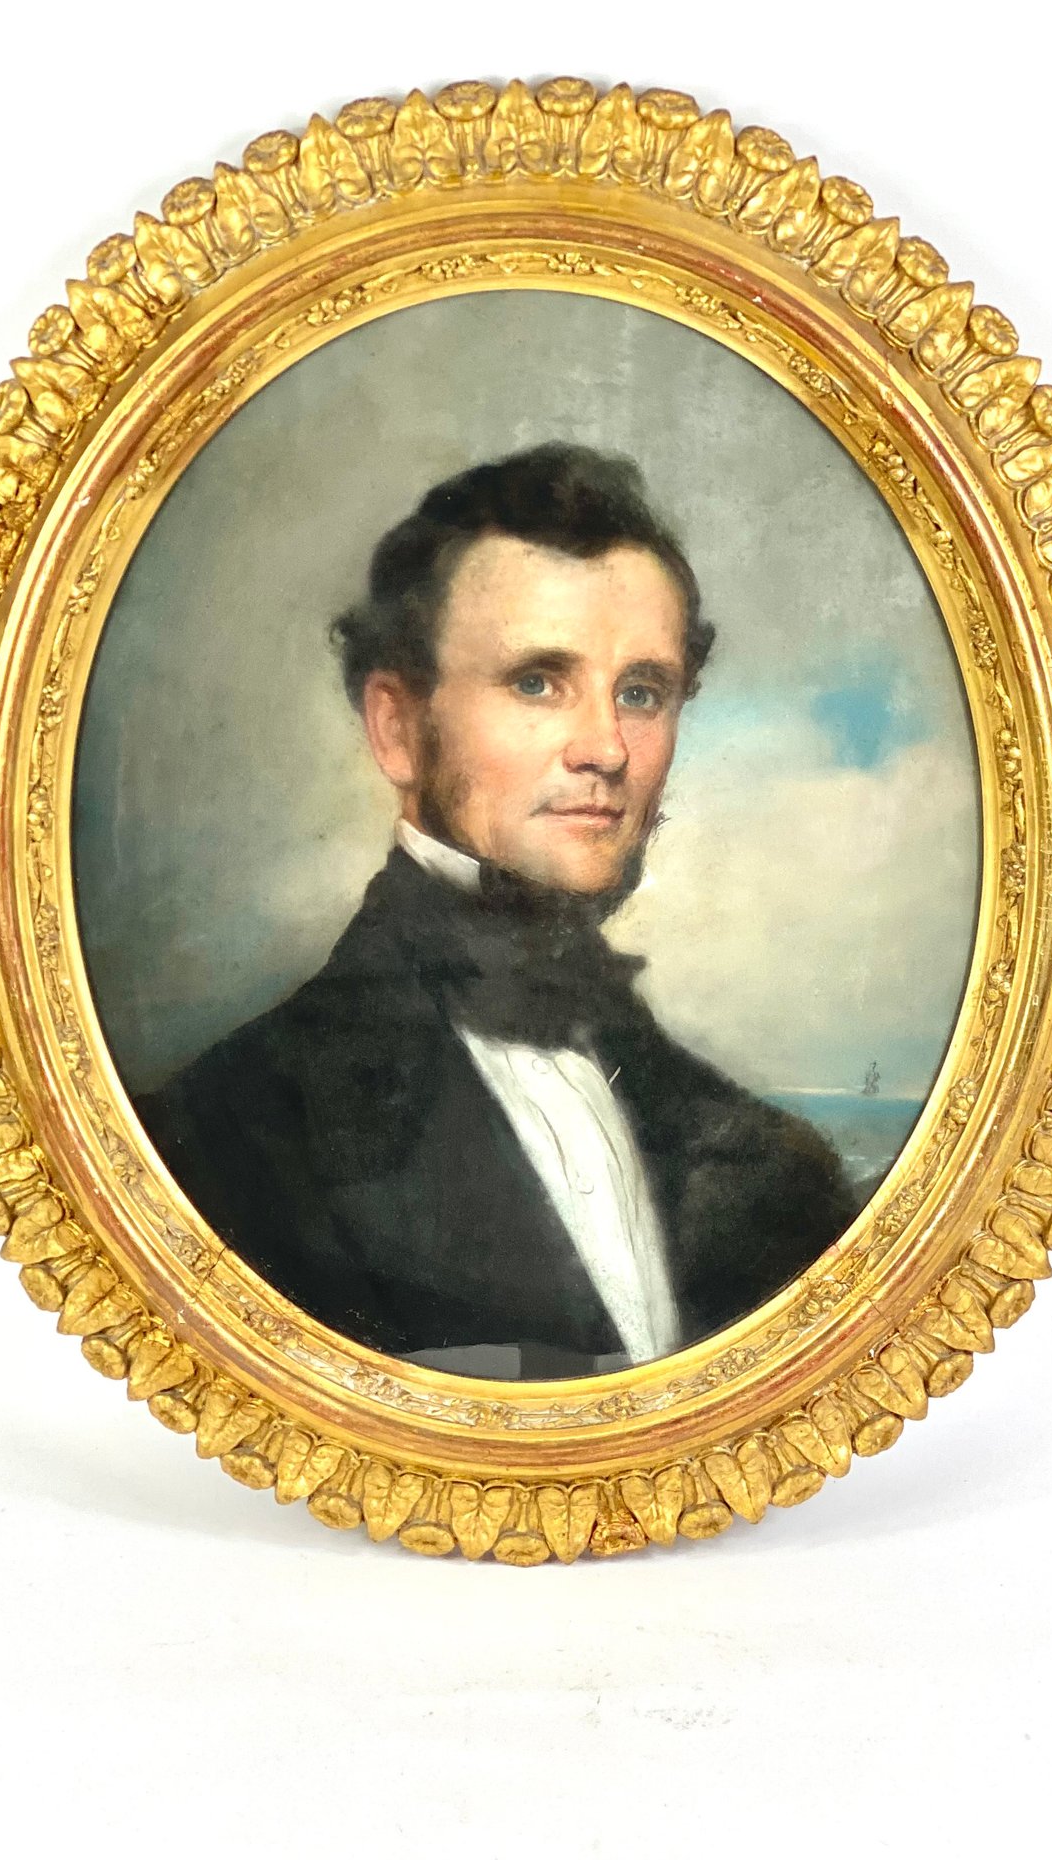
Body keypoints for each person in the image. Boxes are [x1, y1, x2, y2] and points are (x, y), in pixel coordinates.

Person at [138, 443, 856, 1379]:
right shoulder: (217, 1142)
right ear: (397, 728)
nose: (607, 749)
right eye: (537, 682)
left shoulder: (775, 1168)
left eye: (642, 692)